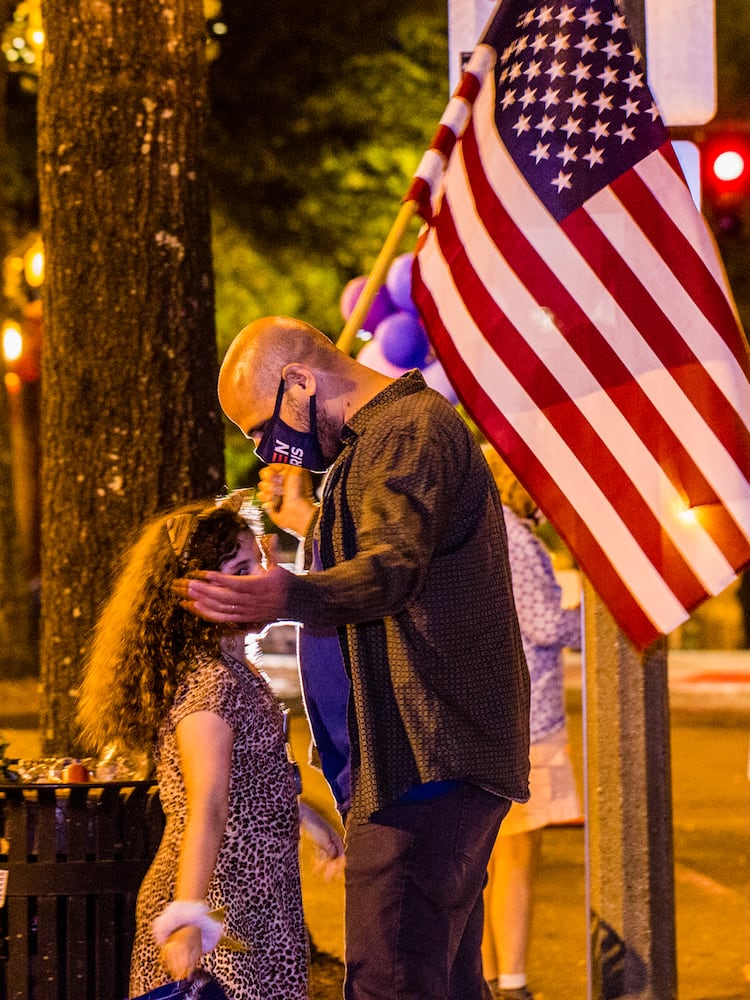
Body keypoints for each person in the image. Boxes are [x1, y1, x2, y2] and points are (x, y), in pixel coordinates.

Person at [173, 315, 531, 1000]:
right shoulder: (379, 445)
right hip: (415, 765)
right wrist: (307, 527)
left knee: (388, 981)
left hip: (424, 764)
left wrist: (287, 594)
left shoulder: (408, 431)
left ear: (301, 381)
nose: (265, 449)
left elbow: (392, 570)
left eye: (262, 427)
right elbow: (389, 545)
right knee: (438, 982)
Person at [77, 491, 341, 1000]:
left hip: (256, 899)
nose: (260, 578)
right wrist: (187, 917)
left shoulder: (232, 669)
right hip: (220, 905)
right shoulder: (209, 686)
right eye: (240, 570)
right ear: (195, 593)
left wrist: (301, 814)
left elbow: (241, 780)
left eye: (257, 563)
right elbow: (207, 806)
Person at [480, 446, 582, 1000]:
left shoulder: (482, 531)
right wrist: (596, 622)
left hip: (495, 716)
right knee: (519, 854)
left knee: (489, 859)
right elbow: (544, 624)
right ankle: (514, 983)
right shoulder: (517, 539)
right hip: (530, 721)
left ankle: (490, 978)